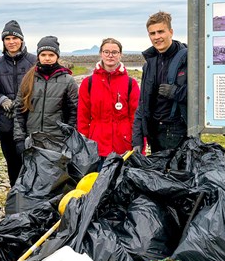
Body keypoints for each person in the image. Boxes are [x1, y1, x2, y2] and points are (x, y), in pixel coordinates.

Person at [0, 20, 36, 186]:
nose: (11, 42)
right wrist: (2, 100)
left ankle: (32, 205)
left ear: (21, 40)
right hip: (6, 125)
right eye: (7, 39)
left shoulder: (34, 62)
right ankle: (16, 204)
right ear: (3, 42)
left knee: (31, 167)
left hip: (30, 125)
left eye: (15, 38)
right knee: (13, 167)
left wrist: (27, 103)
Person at [132, 11, 188, 153]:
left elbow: (203, 95)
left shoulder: (188, 59)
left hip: (181, 133)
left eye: (160, 32)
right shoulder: (149, 64)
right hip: (155, 133)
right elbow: (142, 104)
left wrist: (176, 92)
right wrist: (137, 141)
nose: (157, 37)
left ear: (171, 32)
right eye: (152, 33)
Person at [78, 38, 140, 160]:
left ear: (120, 55)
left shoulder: (130, 83)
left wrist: (138, 143)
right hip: (97, 145)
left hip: (123, 145)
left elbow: (136, 116)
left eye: (114, 52)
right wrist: (83, 144)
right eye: (106, 52)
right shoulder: (88, 83)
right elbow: (83, 117)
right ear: (101, 53)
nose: (110, 55)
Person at [14, 36, 78, 154]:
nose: (47, 58)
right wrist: (19, 138)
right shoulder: (28, 78)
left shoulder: (68, 80)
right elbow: (19, 110)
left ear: (57, 56)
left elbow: (74, 113)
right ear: (38, 56)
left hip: (58, 141)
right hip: (32, 139)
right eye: (43, 55)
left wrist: (70, 138)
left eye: (51, 55)